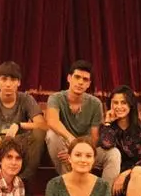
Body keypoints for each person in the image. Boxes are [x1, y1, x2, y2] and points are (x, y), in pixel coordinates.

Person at [45, 60, 121, 188]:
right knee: (51, 135)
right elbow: (52, 121)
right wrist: (72, 147)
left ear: (88, 84)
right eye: (77, 77)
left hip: (87, 149)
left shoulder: (95, 103)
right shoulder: (56, 98)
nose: (80, 82)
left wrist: (80, 152)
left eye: (85, 79)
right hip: (66, 148)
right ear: (69, 78)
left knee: (114, 154)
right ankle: (71, 187)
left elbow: (95, 137)